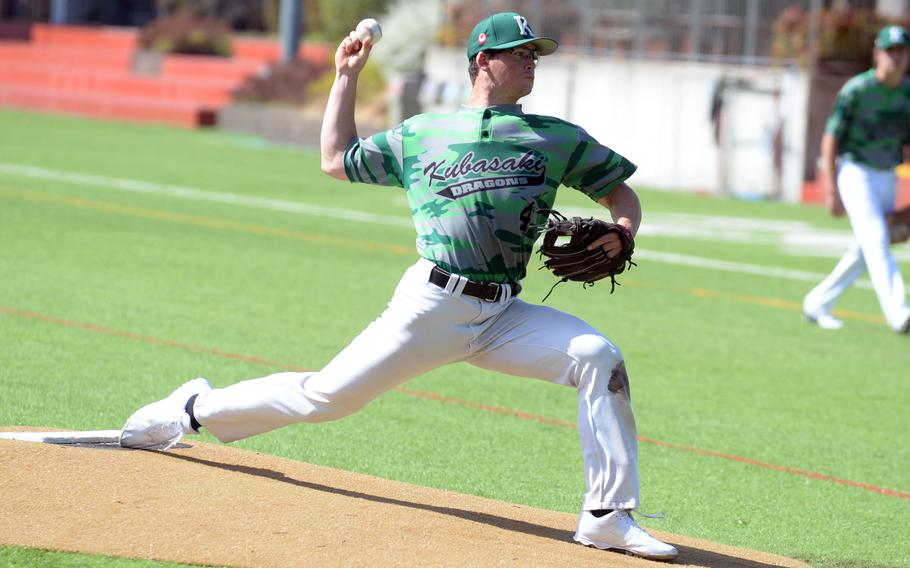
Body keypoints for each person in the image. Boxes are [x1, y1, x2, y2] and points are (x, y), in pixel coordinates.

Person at [120, 12, 677, 561]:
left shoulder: (555, 138)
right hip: (431, 307)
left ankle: (607, 516)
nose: (532, 62)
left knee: (599, 358)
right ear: (484, 61)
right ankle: (191, 409)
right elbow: (337, 160)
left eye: (536, 54)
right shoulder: (423, 134)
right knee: (327, 398)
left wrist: (623, 232)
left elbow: (619, 193)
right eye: (521, 53)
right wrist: (347, 76)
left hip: (504, 314)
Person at [803, 25, 910, 333]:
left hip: (887, 174)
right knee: (876, 239)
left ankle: (817, 303)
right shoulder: (857, 90)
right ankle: (899, 314)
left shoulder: (906, 94)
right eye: (890, 52)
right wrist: (830, 190)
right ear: (877, 54)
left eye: (902, 52)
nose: (896, 58)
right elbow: (830, 138)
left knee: (866, 248)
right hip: (856, 173)